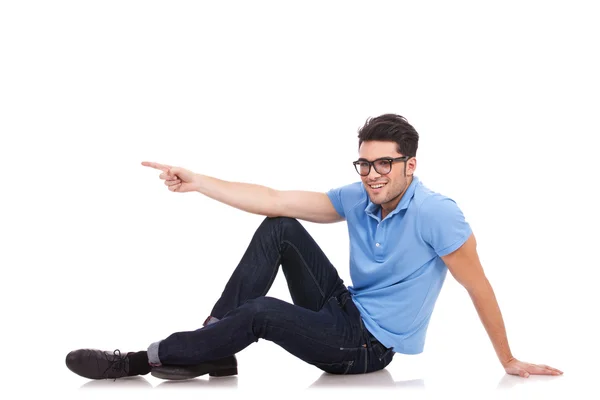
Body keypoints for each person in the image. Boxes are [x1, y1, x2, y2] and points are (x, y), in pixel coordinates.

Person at [65, 114, 563, 381]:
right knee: (279, 226)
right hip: (344, 309)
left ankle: (135, 361)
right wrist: (198, 181)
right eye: (364, 164)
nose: (372, 175)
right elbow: (273, 198)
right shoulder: (361, 197)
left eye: (384, 164)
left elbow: (479, 286)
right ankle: (213, 345)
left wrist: (508, 358)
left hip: (367, 347)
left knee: (261, 311)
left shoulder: (436, 213)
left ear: (410, 165)